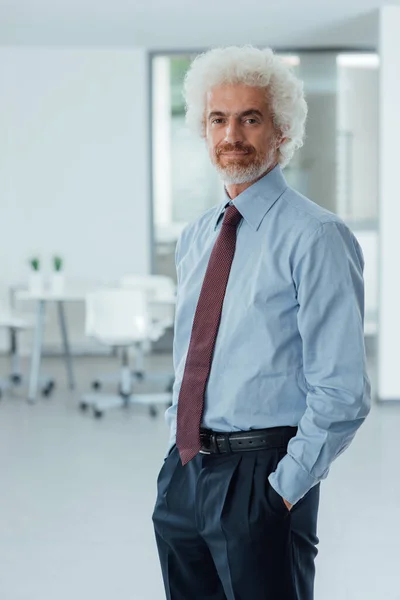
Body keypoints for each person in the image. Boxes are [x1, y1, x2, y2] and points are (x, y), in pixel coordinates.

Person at [152, 45, 371, 600]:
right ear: (202, 130)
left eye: (251, 118)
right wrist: (175, 459)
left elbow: (342, 389)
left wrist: (284, 490)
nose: (232, 134)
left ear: (281, 131)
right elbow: (190, 354)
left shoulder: (316, 237)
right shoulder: (197, 235)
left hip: (263, 476)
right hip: (185, 471)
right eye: (218, 119)